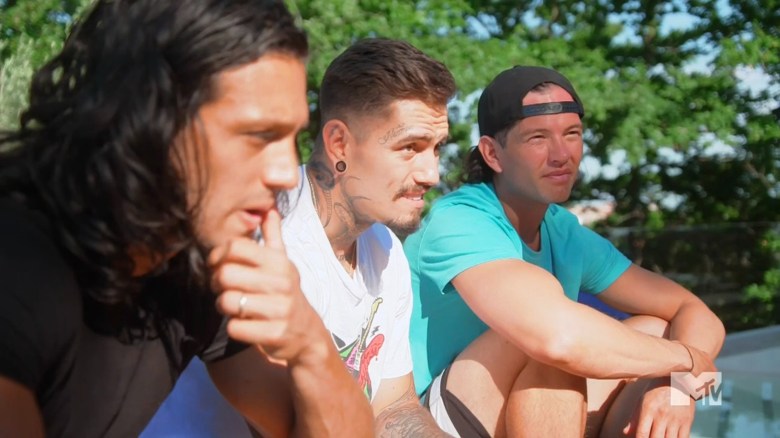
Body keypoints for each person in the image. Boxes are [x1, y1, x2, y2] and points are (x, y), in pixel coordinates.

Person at [0, 1, 374, 436]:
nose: (285, 173)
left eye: (292, 138)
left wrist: (309, 341)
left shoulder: (189, 263)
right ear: (146, 118)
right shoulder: (19, 267)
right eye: (258, 135)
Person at [405, 66, 726, 437]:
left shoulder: (564, 231)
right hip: (428, 422)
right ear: (493, 154)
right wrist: (688, 362)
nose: (561, 154)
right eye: (538, 137)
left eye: (572, 134)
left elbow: (695, 312)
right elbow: (557, 339)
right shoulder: (460, 220)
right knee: (552, 343)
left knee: (661, 329)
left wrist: (678, 388)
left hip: (526, 411)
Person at [281, 37, 456, 436]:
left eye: (436, 149)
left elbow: (394, 409)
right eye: (409, 147)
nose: (431, 174)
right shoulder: (276, 240)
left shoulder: (385, 248)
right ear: (339, 143)